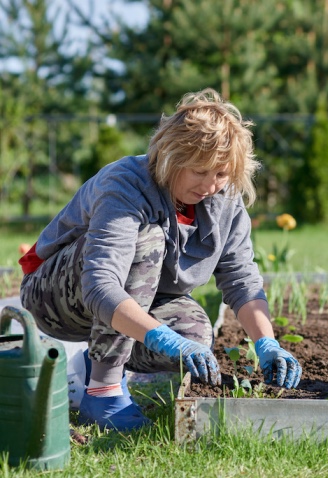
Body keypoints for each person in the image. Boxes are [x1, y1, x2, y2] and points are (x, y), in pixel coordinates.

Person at [19, 88, 302, 432]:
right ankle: (103, 388)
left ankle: (88, 367)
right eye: (200, 171)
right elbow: (100, 284)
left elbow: (241, 278)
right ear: (172, 157)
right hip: (54, 297)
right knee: (148, 238)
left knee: (195, 337)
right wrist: (162, 337)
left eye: (222, 174)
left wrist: (267, 343)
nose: (211, 185)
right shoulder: (126, 184)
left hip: (137, 300)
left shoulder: (225, 199)